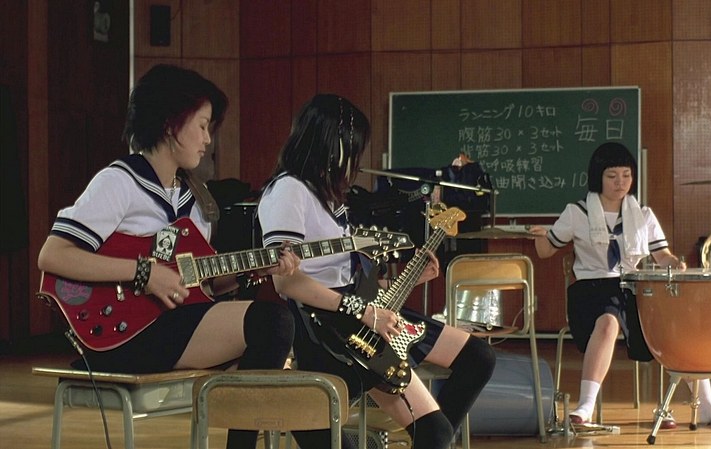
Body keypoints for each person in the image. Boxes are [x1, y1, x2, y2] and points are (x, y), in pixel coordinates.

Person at [37, 64, 299, 449]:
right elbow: (53, 255)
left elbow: (201, 286)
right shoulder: (119, 181)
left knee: (272, 325)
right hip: (124, 333)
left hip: (172, 326)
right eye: (202, 125)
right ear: (169, 124)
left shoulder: (196, 201)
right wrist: (144, 273)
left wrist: (254, 269)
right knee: (272, 323)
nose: (207, 139)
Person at [258, 94, 497, 449]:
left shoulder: (327, 195)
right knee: (435, 431)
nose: (355, 160)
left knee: (478, 358)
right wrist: (365, 312)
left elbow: (344, 273)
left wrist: (407, 279)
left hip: (359, 313)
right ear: (334, 145)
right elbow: (286, 280)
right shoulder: (289, 190)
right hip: (330, 326)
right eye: (353, 148)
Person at [529, 141, 711, 428]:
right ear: (598, 177)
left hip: (631, 289)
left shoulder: (643, 214)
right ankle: (585, 406)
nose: (621, 183)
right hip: (590, 290)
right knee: (607, 322)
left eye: (626, 175)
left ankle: (706, 405)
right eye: (612, 176)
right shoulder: (577, 212)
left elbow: (661, 255)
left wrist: (674, 263)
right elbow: (545, 251)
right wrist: (540, 235)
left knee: (676, 323)